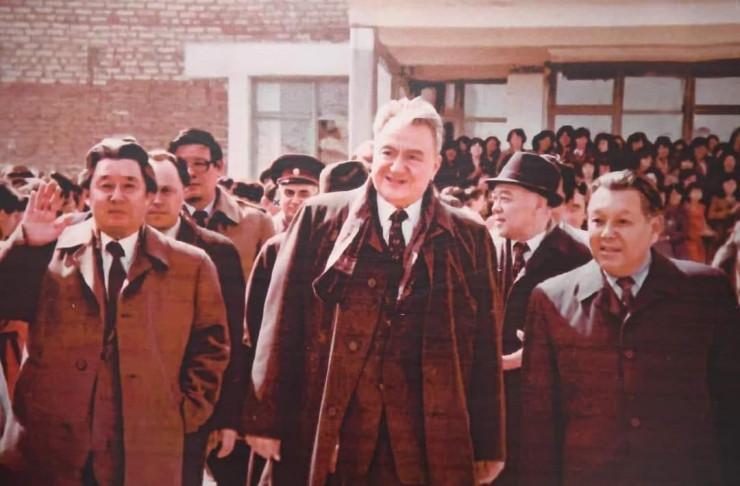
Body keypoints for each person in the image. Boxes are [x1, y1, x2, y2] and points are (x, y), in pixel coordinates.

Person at [244, 97, 506, 486]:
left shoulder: (468, 236)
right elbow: (281, 321)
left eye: (414, 156)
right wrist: (264, 418)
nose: (397, 167)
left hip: (427, 441)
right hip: (332, 433)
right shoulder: (320, 219)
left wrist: (488, 444)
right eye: (388, 152)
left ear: (435, 165)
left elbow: (485, 346)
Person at [0, 137, 230, 486]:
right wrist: (24, 242)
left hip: (146, 448)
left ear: (149, 195)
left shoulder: (191, 264)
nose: (116, 196)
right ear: (87, 195)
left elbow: (211, 346)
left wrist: (183, 412)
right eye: (105, 186)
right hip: (50, 448)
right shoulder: (47, 250)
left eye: (129, 185)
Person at [520, 170, 740, 486]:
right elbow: (538, 425)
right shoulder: (551, 299)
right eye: (597, 221)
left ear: (655, 228)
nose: (607, 233)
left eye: (623, 222)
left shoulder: (706, 291)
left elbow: (731, 405)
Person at [485, 152, 591, 485]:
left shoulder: (579, 258)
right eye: (494, 198)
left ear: (540, 204)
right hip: (492, 414)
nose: (495, 207)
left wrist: (539, 351)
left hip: (547, 417)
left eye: (506, 198)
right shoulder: (484, 249)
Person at [145, 150, 248, 486]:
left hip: (191, 410)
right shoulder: (120, 247)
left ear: (183, 192)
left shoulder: (216, 252)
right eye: (150, 190)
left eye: (167, 190)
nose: (156, 200)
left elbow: (230, 339)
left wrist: (226, 418)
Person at [168, 128, 275, 282]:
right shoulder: (159, 219)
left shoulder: (256, 223)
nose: (190, 172)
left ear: (219, 167)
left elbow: (268, 286)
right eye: (181, 165)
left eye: (199, 164)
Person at [262, 154, 323, 234]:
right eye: (289, 192)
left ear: (317, 196)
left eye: (304, 194)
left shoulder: (325, 229)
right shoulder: (268, 229)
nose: (295, 201)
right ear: (280, 194)